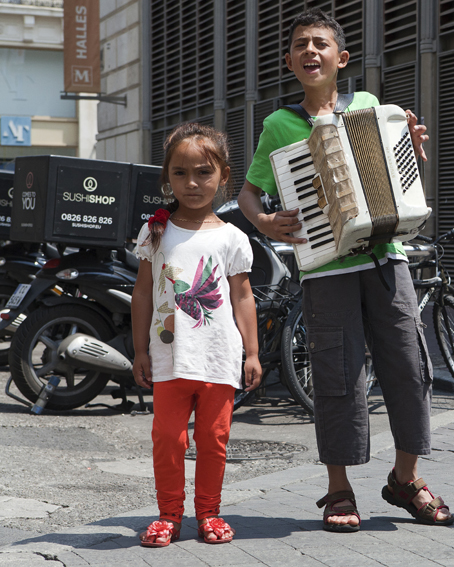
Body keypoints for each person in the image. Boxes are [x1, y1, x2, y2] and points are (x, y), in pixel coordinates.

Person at [237, 8, 452, 532]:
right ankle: (338, 490)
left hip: (386, 259)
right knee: (337, 377)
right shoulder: (279, 124)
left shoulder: (371, 106)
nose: (310, 51)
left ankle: (405, 479)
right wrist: (265, 221)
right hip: (327, 267)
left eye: (320, 43)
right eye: (300, 45)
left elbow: (396, 168)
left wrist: (408, 153)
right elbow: (247, 192)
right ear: (289, 60)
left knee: (409, 365)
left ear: (342, 57)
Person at [132, 123, 261, 547]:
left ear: (224, 177)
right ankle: (169, 514)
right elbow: (143, 294)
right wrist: (139, 351)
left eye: (203, 172)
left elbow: (243, 297)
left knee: (214, 439)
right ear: (166, 177)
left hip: (218, 358)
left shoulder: (232, 237)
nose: (192, 183)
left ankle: (209, 511)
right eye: (180, 173)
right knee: (168, 438)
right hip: (169, 358)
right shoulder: (155, 232)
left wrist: (252, 353)